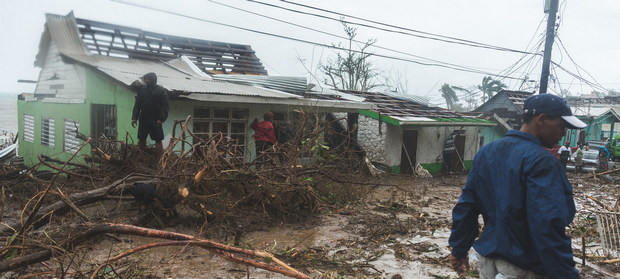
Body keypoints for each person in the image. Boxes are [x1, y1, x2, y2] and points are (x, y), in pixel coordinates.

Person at [449, 93, 586, 279]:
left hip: (489, 262)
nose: (563, 133)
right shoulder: (542, 161)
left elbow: (467, 205)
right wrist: (566, 274)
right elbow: (547, 224)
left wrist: (459, 249)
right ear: (542, 120)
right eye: (562, 126)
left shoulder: (487, 152)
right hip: (523, 267)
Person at [130, 72, 169, 159]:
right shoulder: (142, 90)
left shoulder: (161, 91)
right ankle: (140, 158)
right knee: (142, 138)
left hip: (156, 120)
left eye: (148, 78)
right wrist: (134, 118)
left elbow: (165, 107)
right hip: (143, 119)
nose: (146, 80)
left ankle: (160, 160)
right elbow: (137, 105)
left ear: (153, 79)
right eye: (145, 78)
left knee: (158, 140)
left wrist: (161, 119)